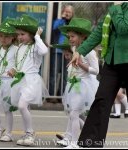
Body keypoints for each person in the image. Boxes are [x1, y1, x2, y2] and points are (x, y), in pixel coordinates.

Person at [68, 2, 128, 148]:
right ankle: (91, 142)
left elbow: (123, 28)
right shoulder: (113, 10)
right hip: (112, 62)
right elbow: (98, 32)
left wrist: (117, 7)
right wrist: (79, 51)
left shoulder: (116, 8)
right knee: (102, 100)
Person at [55, 18, 99, 148]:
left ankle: (74, 143)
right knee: (72, 113)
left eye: (73, 36)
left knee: (74, 113)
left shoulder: (90, 52)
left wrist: (81, 64)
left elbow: (95, 71)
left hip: (83, 86)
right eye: (69, 37)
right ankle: (69, 137)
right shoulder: (75, 49)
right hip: (74, 85)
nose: (70, 39)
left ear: (83, 36)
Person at [7, 14, 49, 146]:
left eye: (22, 34)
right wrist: (13, 69)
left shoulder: (36, 46)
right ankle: (27, 132)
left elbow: (44, 51)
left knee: (22, 106)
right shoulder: (20, 47)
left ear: (31, 34)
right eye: (18, 34)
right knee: (25, 108)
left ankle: (30, 133)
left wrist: (37, 36)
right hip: (20, 81)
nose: (19, 37)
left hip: (31, 81)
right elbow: (19, 63)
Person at [49, 4, 74, 97]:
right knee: (54, 73)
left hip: (69, 52)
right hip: (58, 51)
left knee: (65, 75)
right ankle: (51, 96)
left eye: (69, 12)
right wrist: (63, 19)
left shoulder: (73, 23)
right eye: (66, 11)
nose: (67, 13)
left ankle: (62, 96)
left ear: (72, 14)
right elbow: (54, 28)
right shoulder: (59, 21)